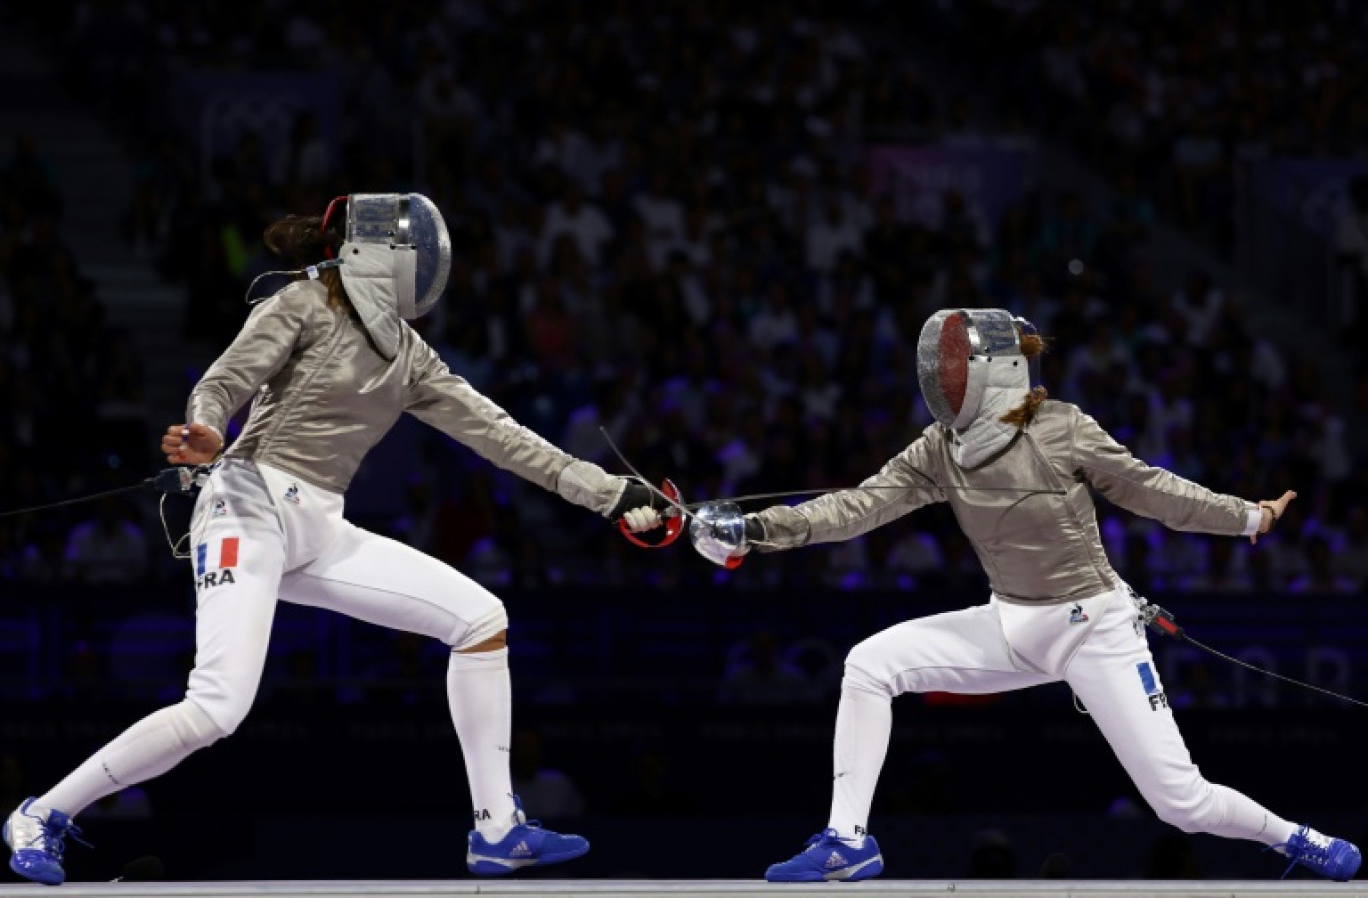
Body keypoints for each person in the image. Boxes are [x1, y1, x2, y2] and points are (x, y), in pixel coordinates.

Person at [3, 193, 662, 885]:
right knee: (218, 706)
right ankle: (41, 814)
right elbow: (226, 380)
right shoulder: (302, 301)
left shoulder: (410, 355)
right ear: (385, 250)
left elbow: (503, 438)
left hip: (318, 527)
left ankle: (498, 830)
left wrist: (612, 494)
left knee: (480, 620)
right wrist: (206, 428)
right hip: (245, 505)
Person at [671, 308, 1361, 883]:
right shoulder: (939, 449)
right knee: (869, 664)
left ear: (993, 369)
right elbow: (855, 507)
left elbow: (1150, 487)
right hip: (1010, 626)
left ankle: (1298, 839)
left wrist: (1248, 516)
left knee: (1180, 802)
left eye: (951, 367)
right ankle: (848, 842)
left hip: (1095, 628)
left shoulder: (1062, 426)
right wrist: (757, 530)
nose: (940, 380)